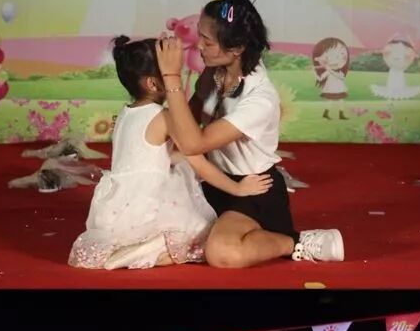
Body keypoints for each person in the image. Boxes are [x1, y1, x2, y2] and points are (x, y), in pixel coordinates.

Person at [164, 0, 344, 267]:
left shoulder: (260, 98)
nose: (198, 45)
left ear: (237, 48)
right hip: (213, 180)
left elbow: (193, 143)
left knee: (222, 253)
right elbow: (187, 120)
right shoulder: (215, 72)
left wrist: (171, 78)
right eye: (199, 35)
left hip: (252, 189)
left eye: (207, 42)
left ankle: (295, 242)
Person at [68, 34, 270, 269]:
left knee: (180, 168)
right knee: (201, 232)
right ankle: (155, 250)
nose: (178, 78)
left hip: (118, 210)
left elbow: (147, 157)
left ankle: (141, 246)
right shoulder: (164, 116)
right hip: (148, 205)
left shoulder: (125, 114)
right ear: (153, 84)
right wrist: (238, 188)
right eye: (171, 74)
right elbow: (198, 162)